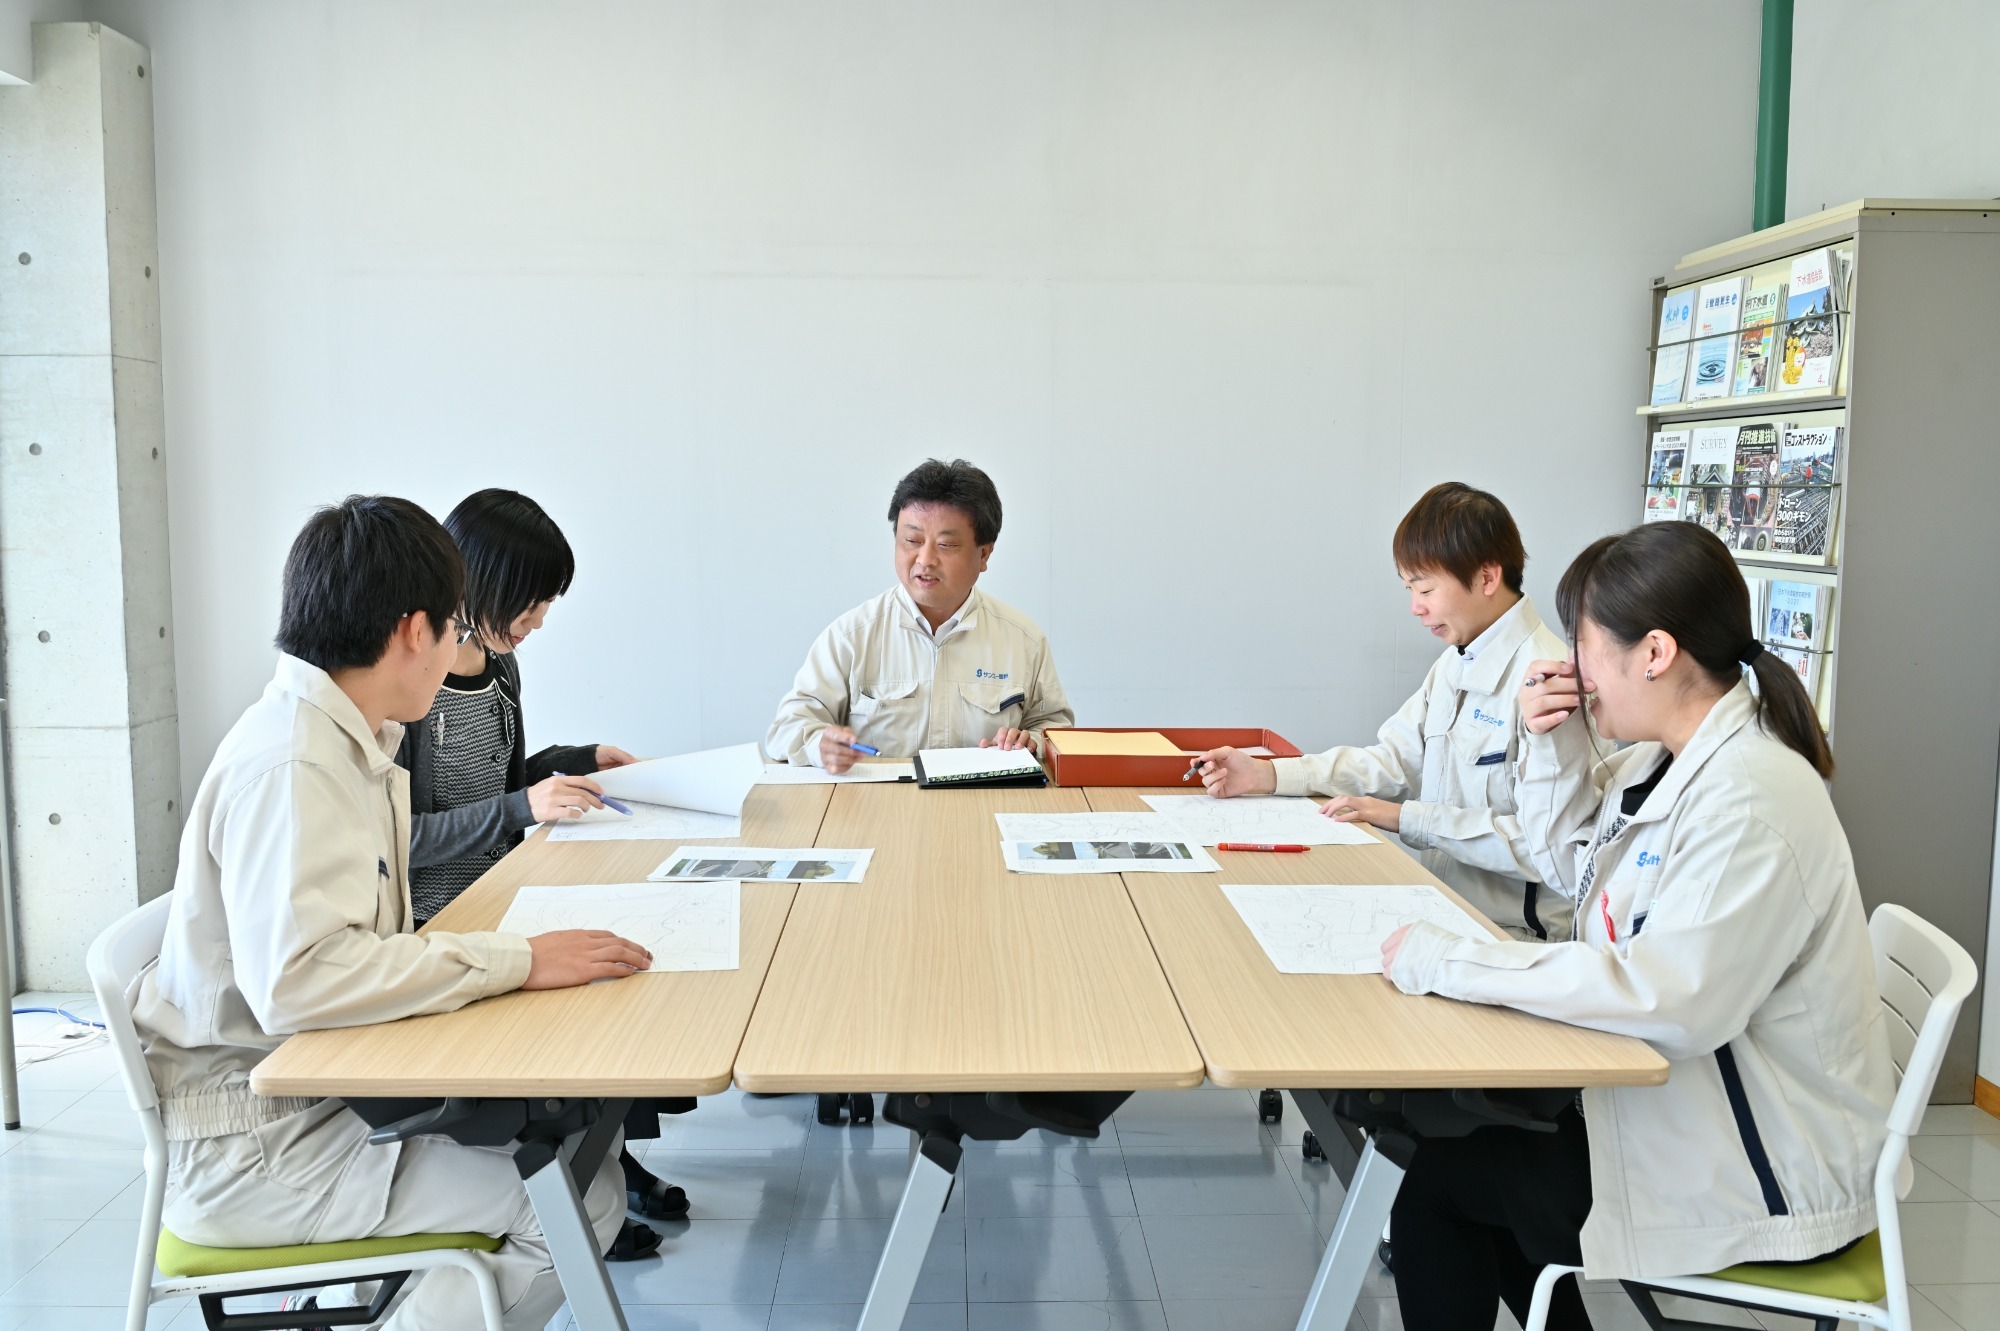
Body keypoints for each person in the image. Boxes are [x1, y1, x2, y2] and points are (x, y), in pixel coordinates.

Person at [130, 495, 652, 1330]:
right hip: (262, 1145)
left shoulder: (340, 737)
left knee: (570, 1157)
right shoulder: (296, 766)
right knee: (574, 1198)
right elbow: (301, 983)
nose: (458, 652)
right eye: (452, 630)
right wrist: (514, 961)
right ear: (414, 630)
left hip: (318, 1094)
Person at [1379, 520, 1892, 1331]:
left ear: (1654, 652)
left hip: (1757, 1169)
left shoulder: (1751, 800)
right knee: (1467, 1171)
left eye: (1583, 646)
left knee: (1442, 1197)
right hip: (1693, 1112)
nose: (1571, 668)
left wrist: (1456, 963)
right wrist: (1551, 742)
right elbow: (1562, 860)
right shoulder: (1668, 760)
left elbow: (1671, 1001)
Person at [393, 488, 684, 1253]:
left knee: (624, 957)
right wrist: (524, 806)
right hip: (442, 919)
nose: (541, 618)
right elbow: (400, 839)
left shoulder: (497, 664)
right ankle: (574, 1187)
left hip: (507, 887)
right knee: (589, 979)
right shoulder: (411, 690)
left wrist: (576, 762)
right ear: (483, 582)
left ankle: (607, 1160)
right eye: (535, 598)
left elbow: (503, 780)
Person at [1192, 482, 1572, 940]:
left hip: (1509, 935)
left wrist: (1402, 817)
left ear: (1487, 578)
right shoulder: (1456, 662)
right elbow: (1390, 761)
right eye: (1409, 587)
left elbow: (1548, 846)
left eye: (1426, 587)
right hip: (1438, 908)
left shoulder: (1551, 682)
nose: (1415, 607)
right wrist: (1266, 776)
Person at [766, 458, 1073, 772]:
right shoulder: (852, 637)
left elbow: (1056, 728)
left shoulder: (1023, 640)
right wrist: (821, 746)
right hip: (878, 811)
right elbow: (785, 730)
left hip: (982, 805)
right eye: (911, 541)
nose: (925, 560)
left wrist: (1030, 741)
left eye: (946, 544)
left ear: (984, 554)